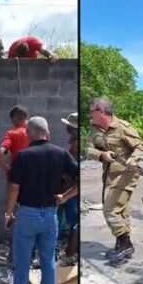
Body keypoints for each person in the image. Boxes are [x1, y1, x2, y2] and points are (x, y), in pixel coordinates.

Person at [2, 116, 78, 284]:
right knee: (48, 262)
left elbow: (14, 187)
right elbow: (81, 177)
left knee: (22, 261)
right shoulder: (61, 154)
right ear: (48, 134)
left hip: (27, 214)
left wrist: (8, 213)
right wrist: (66, 196)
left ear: (29, 134)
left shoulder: (23, 156)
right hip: (50, 215)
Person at [85, 97, 143, 263]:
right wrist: (101, 155)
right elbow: (88, 149)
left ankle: (126, 244)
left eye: (92, 111)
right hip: (109, 175)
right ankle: (123, 245)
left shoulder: (123, 127)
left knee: (110, 209)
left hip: (126, 174)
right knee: (120, 211)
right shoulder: (94, 129)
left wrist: (133, 160)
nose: (90, 115)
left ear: (101, 111)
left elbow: (140, 147)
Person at [0, 105, 33, 263]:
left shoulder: (12, 133)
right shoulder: (37, 132)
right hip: (37, 180)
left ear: (15, 119)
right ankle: (32, 256)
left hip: (18, 181)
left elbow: (0, 152)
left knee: (15, 216)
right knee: (34, 216)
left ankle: (15, 256)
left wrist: (6, 170)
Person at [59, 112, 79, 264]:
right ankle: (72, 252)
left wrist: (66, 194)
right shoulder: (73, 143)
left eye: (68, 125)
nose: (66, 127)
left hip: (73, 190)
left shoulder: (76, 146)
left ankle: (71, 253)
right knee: (72, 222)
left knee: (75, 223)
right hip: (69, 189)